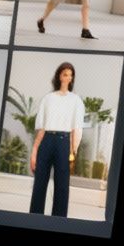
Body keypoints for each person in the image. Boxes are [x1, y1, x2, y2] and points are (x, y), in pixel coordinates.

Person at [29, 61, 83, 216]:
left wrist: (73, 151)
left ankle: (58, 222)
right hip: (46, 141)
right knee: (39, 183)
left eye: (71, 75)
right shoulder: (48, 98)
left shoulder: (76, 100)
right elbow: (41, 128)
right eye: (65, 74)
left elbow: (76, 129)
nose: (68, 78)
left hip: (64, 142)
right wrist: (34, 152)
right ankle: (34, 219)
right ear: (59, 76)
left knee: (62, 187)